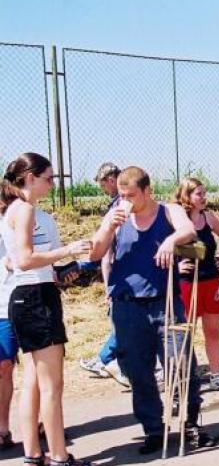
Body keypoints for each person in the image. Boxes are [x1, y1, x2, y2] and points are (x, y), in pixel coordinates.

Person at [88, 166, 212, 454]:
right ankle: (154, 429)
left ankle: (189, 423)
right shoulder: (116, 215)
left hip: (164, 302)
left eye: (131, 195)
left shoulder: (168, 211)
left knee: (180, 364)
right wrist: (108, 227)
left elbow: (188, 231)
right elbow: (95, 252)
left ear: (147, 190)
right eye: (122, 195)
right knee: (137, 370)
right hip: (127, 305)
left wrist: (171, 240)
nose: (125, 201)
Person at [1, 152, 96, 466]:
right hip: (35, 298)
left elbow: (16, 260)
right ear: (30, 178)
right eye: (48, 178)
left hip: (26, 296)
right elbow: (24, 259)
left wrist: (57, 268)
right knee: (52, 385)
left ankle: (33, 455)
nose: (52, 184)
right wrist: (68, 250)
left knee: (33, 382)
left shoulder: (14, 209)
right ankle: (59, 458)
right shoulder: (24, 209)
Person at [174, 177, 219, 393]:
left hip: (211, 281)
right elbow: (161, 248)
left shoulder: (208, 217)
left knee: (212, 331)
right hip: (185, 284)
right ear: (186, 196)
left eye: (204, 193)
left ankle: (216, 376)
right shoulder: (176, 220)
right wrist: (177, 265)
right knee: (185, 333)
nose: (204, 197)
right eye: (199, 193)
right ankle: (186, 380)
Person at [79, 162, 129, 386]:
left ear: (111, 180)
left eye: (103, 186)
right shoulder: (123, 203)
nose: (103, 190)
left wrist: (108, 284)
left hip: (121, 271)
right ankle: (106, 359)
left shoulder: (120, 206)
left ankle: (105, 359)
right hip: (124, 270)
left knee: (125, 321)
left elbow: (107, 253)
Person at [0, 235, 17, 450]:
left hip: (15, 300)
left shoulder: (14, 222)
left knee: (36, 365)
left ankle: (41, 421)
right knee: (3, 366)